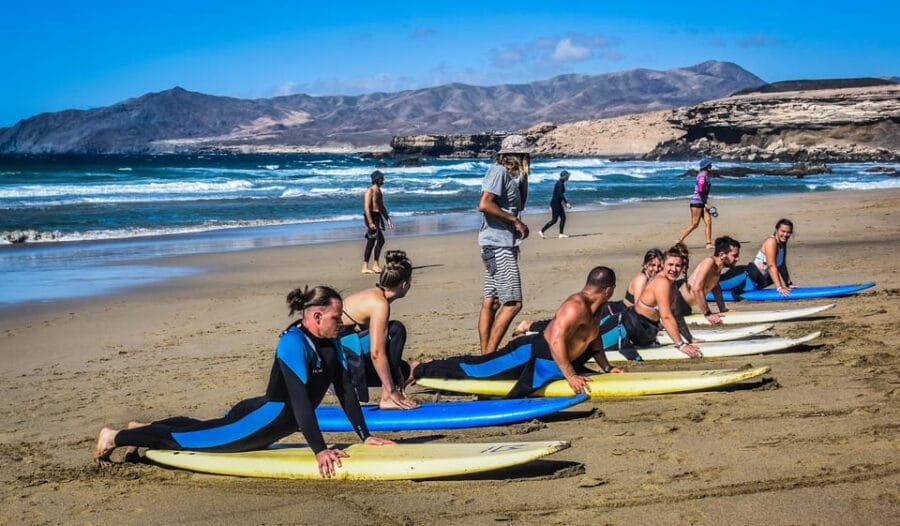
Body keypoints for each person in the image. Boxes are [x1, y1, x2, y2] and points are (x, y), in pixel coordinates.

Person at [92, 286, 394, 478]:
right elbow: (300, 400)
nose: (341, 322)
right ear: (316, 315)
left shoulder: (332, 342)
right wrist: (319, 449)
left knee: (200, 427)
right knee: (186, 440)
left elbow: (344, 391)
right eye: (336, 317)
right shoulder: (292, 343)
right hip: (260, 419)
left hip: (270, 421)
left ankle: (138, 429)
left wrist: (364, 435)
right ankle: (113, 437)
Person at [412, 266, 623, 397]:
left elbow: (594, 341)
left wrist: (607, 367)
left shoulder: (597, 308)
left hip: (555, 359)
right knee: (478, 370)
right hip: (532, 352)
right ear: (608, 290)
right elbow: (556, 341)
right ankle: (420, 369)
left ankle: (425, 368)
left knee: (483, 370)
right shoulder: (575, 306)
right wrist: (571, 376)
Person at [340, 250, 420, 410]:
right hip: (338, 361)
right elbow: (376, 353)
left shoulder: (373, 295)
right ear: (404, 284)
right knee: (396, 329)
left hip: (339, 356)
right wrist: (391, 390)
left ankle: (391, 392)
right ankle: (387, 398)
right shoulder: (379, 304)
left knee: (402, 370)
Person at [477, 134, 531, 354]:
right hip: (498, 245)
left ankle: (485, 355)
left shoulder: (511, 176)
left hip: (499, 244)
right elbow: (484, 204)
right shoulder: (498, 172)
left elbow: (521, 204)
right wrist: (514, 220)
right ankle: (490, 356)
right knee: (513, 303)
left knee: (491, 302)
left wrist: (524, 179)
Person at [624, 245, 702, 357]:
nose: (674, 269)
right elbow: (666, 317)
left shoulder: (672, 282)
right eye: (670, 265)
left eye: (678, 266)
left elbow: (676, 314)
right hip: (631, 327)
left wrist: (689, 338)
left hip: (647, 329)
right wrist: (681, 345)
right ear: (663, 265)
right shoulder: (662, 282)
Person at [673, 236, 740, 326]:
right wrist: (708, 314)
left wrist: (723, 309)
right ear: (722, 255)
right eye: (734, 255)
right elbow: (696, 289)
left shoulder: (718, 267)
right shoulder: (709, 262)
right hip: (675, 303)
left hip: (685, 307)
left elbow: (716, 289)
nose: (737, 259)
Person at [719, 219, 794, 295]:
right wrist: (779, 287)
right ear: (777, 230)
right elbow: (771, 265)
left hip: (754, 282)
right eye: (783, 231)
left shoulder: (782, 244)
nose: (785, 235)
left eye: (788, 232)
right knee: (713, 284)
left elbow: (782, 266)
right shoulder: (771, 242)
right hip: (743, 277)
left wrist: (789, 284)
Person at [677, 159, 714, 249]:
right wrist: (705, 203)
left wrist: (705, 202)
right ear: (706, 167)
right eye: (710, 165)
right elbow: (700, 190)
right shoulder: (702, 176)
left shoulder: (706, 176)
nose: (711, 167)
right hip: (697, 202)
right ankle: (679, 240)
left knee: (708, 222)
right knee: (695, 224)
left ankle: (708, 243)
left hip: (703, 202)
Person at [362, 170, 394, 274]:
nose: (383, 180)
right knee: (375, 240)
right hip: (370, 216)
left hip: (377, 217)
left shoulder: (379, 191)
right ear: (376, 179)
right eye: (381, 178)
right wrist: (370, 222)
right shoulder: (369, 191)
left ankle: (373, 264)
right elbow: (367, 208)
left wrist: (387, 219)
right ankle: (368, 266)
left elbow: (381, 207)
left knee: (377, 241)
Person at [539, 170, 573, 238]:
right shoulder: (560, 183)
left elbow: (555, 194)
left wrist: (551, 204)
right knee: (554, 220)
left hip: (556, 203)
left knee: (563, 218)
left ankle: (561, 234)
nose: (569, 177)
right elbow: (560, 194)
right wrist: (566, 203)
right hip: (556, 204)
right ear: (564, 176)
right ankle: (541, 231)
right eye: (568, 176)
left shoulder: (561, 183)